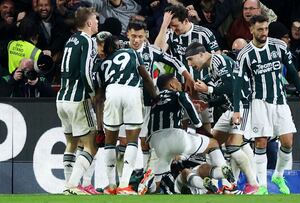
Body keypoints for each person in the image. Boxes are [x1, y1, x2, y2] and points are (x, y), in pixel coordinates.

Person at [232, 15, 300, 195]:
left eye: (266, 29)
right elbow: (238, 84)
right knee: (261, 142)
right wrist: (237, 109)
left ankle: (278, 175)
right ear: (251, 29)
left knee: (288, 142)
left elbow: (291, 71)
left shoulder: (279, 46)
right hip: (258, 103)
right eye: (260, 29)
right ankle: (262, 187)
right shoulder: (245, 54)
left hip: (280, 102)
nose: (264, 33)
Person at [137, 74, 236, 195]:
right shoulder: (178, 94)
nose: (180, 84)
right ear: (172, 84)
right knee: (213, 143)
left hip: (155, 142)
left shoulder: (155, 100)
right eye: (178, 81)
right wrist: (201, 128)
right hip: (175, 136)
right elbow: (189, 107)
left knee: (155, 186)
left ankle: (149, 183)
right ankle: (226, 178)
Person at [184, 42, 258, 194]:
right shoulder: (212, 68)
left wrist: (208, 89)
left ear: (201, 54)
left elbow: (232, 86)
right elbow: (227, 95)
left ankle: (254, 185)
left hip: (243, 107)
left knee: (233, 147)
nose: (190, 64)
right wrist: (208, 103)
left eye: (190, 59)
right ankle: (226, 185)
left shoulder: (219, 60)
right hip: (231, 109)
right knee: (212, 145)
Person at [97, 35, 158, 195]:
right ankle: (124, 185)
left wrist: (99, 127)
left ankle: (111, 186)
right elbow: (145, 76)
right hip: (131, 91)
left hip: (112, 92)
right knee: (132, 140)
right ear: (118, 46)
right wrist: (155, 95)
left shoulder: (102, 65)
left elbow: (99, 97)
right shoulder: (131, 53)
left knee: (110, 142)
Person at [154, 4, 219, 132]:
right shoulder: (170, 33)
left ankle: (207, 150)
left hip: (202, 85)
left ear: (186, 21)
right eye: (170, 26)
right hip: (181, 87)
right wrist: (164, 26)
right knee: (182, 123)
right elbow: (157, 51)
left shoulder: (204, 33)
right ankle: (184, 150)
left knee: (205, 123)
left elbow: (217, 57)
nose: (174, 29)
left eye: (176, 26)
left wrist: (210, 82)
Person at [56, 7, 99, 195]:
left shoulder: (70, 40)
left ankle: (67, 185)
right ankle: (72, 185)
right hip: (77, 99)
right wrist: (92, 93)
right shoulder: (87, 40)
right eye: (96, 19)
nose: (98, 22)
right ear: (89, 23)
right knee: (91, 144)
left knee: (71, 143)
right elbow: (85, 72)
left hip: (62, 98)